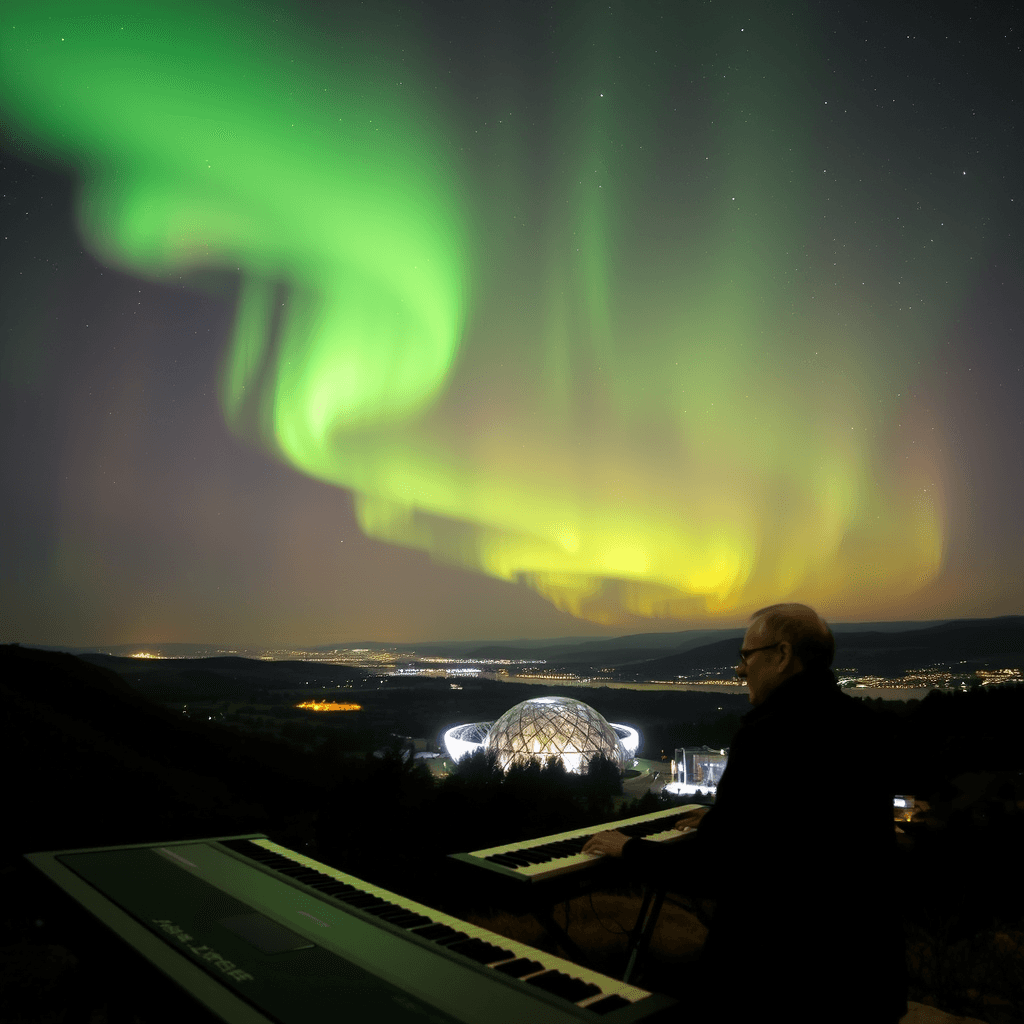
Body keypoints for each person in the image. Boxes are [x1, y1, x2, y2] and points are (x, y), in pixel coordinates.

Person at [583, 603, 907, 1023]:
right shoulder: (863, 724)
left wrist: (629, 850)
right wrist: (725, 819)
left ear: (783, 655)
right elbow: (807, 828)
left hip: (785, 981)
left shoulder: (769, 735)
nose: (739, 671)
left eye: (745, 656)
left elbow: (718, 866)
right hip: (866, 974)